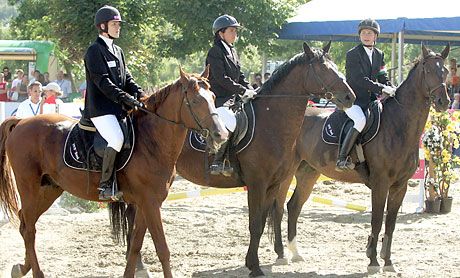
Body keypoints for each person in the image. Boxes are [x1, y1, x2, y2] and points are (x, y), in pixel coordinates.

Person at [83, 5, 144, 200]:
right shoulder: (94, 51)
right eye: (114, 24)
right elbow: (103, 82)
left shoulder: (118, 50)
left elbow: (127, 78)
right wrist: (124, 97)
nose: (118, 27)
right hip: (101, 109)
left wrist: (140, 94)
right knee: (116, 138)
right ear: (102, 26)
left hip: (118, 108)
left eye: (119, 24)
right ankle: (105, 185)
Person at [336, 18, 395, 171]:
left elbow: (383, 76)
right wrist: (381, 88)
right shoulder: (352, 54)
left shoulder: (379, 54)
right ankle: (342, 158)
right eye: (363, 33)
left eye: (369, 33)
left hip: (370, 100)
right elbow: (358, 80)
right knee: (360, 120)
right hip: (352, 100)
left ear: (375, 36)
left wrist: (391, 88)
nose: (366, 35)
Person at [206, 14, 256, 176]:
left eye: (236, 31)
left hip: (232, 98)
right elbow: (221, 78)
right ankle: (218, 161)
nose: (235, 34)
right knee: (229, 120)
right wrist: (241, 91)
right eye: (232, 31)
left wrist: (250, 89)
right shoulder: (215, 51)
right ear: (221, 33)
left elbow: (239, 76)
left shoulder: (232, 51)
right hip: (218, 98)